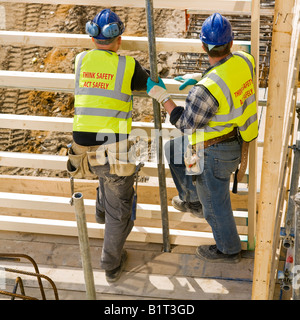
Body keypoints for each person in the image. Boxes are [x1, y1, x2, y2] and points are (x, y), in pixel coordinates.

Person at [147, 13, 258, 263]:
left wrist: (164, 98)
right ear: (231, 43)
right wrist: (199, 78)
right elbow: (228, 76)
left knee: (217, 207)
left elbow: (186, 124)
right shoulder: (245, 60)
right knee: (174, 150)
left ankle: (228, 250)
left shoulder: (205, 91)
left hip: (214, 154)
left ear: (203, 46)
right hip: (234, 141)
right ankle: (193, 199)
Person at [69, 9, 149, 282]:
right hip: (112, 150)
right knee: (120, 209)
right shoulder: (128, 66)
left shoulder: (80, 60)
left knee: (105, 178)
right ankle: (110, 264)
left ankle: (102, 214)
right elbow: (149, 83)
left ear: (93, 38)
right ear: (119, 39)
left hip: (81, 148)